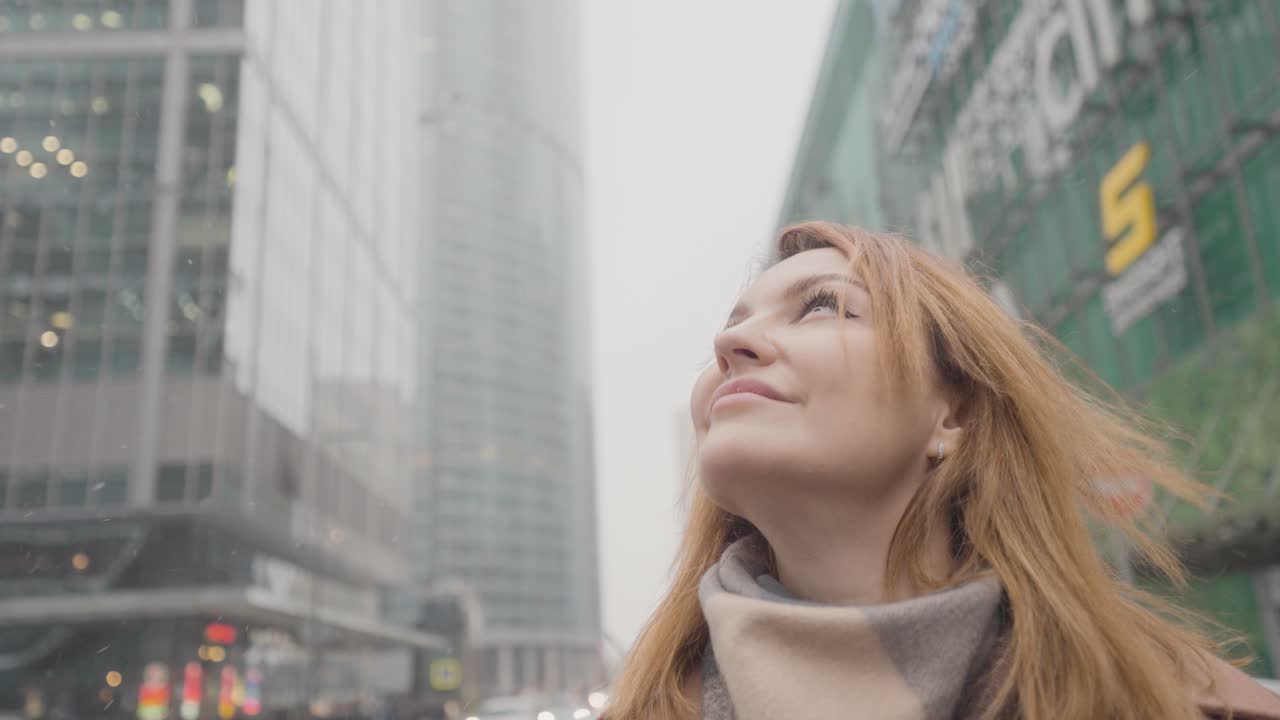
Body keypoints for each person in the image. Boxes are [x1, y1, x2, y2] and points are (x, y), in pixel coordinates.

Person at [605, 223, 1280, 720]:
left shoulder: (1179, 704)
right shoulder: (646, 708)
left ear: (952, 414)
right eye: (730, 327)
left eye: (820, 306)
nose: (728, 345)